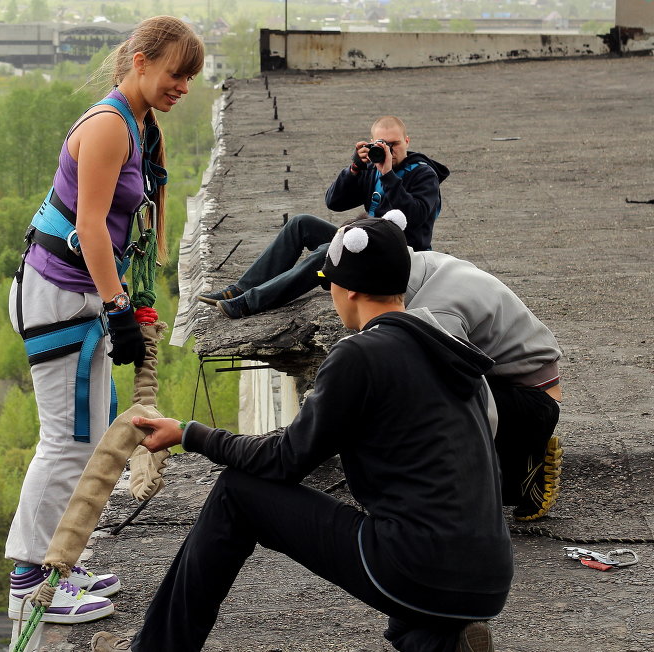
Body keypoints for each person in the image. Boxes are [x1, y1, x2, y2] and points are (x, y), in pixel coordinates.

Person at [94, 213, 512, 652]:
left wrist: (189, 433)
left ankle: (154, 649)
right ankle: (445, 641)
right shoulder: (443, 345)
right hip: (485, 574)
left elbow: (284, 459)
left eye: (326, 283)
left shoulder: (361, 356)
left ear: (348, 290)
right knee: (407, 526)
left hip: (417, 567)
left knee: (237, 492)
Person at [6, 16, 205, 624]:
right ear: (140, 61)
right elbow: (89, 226)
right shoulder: (107, 127)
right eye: (177, 73)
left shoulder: (140, 126)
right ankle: (29, 577)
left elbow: (126, 229)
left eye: (192, 78)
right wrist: (119, 307)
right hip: (60, 297)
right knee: (64, 443)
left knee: (86, 440)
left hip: (84, 294)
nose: (184, 87)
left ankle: (60, 562)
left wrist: (125, 302)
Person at [199, 115, 449, 319]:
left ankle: (249, 303)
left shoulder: (423, 174)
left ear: (407, 141)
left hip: (401, 257)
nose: (390, 150)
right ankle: (240, 289)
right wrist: (353, 170)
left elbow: (415, 216)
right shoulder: (373, 168)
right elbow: (334, 202)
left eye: (395, 144)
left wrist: (388, 176)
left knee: (329, 252)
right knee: (301, 223)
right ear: (374, 144)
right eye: (383, 145)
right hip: (368, 244)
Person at [406, 248, 563, 521]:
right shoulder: (422, 264)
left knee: (437, 406)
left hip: (529, 388)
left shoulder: (434, 312)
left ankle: (532, 441)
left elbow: (463, 388)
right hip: (510, 367)